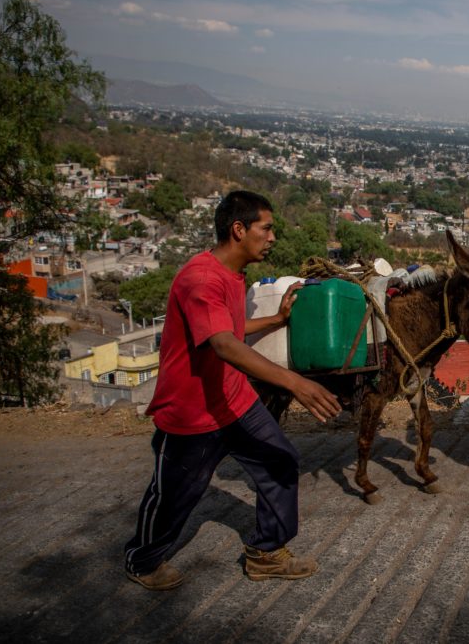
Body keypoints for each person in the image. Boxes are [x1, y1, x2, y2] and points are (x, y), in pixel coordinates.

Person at [124, 190, 341, 590]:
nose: (273, 237)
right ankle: (142, 560)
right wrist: (295, 382)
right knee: (174, 496)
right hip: (193, 413)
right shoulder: (200, 279)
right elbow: (223, 344)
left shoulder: (233, 276)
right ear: (239, 229)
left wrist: (276, 319)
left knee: (280, 462)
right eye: (267, 228)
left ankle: (267, 554)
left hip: (235, 401)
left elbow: (231, 331)